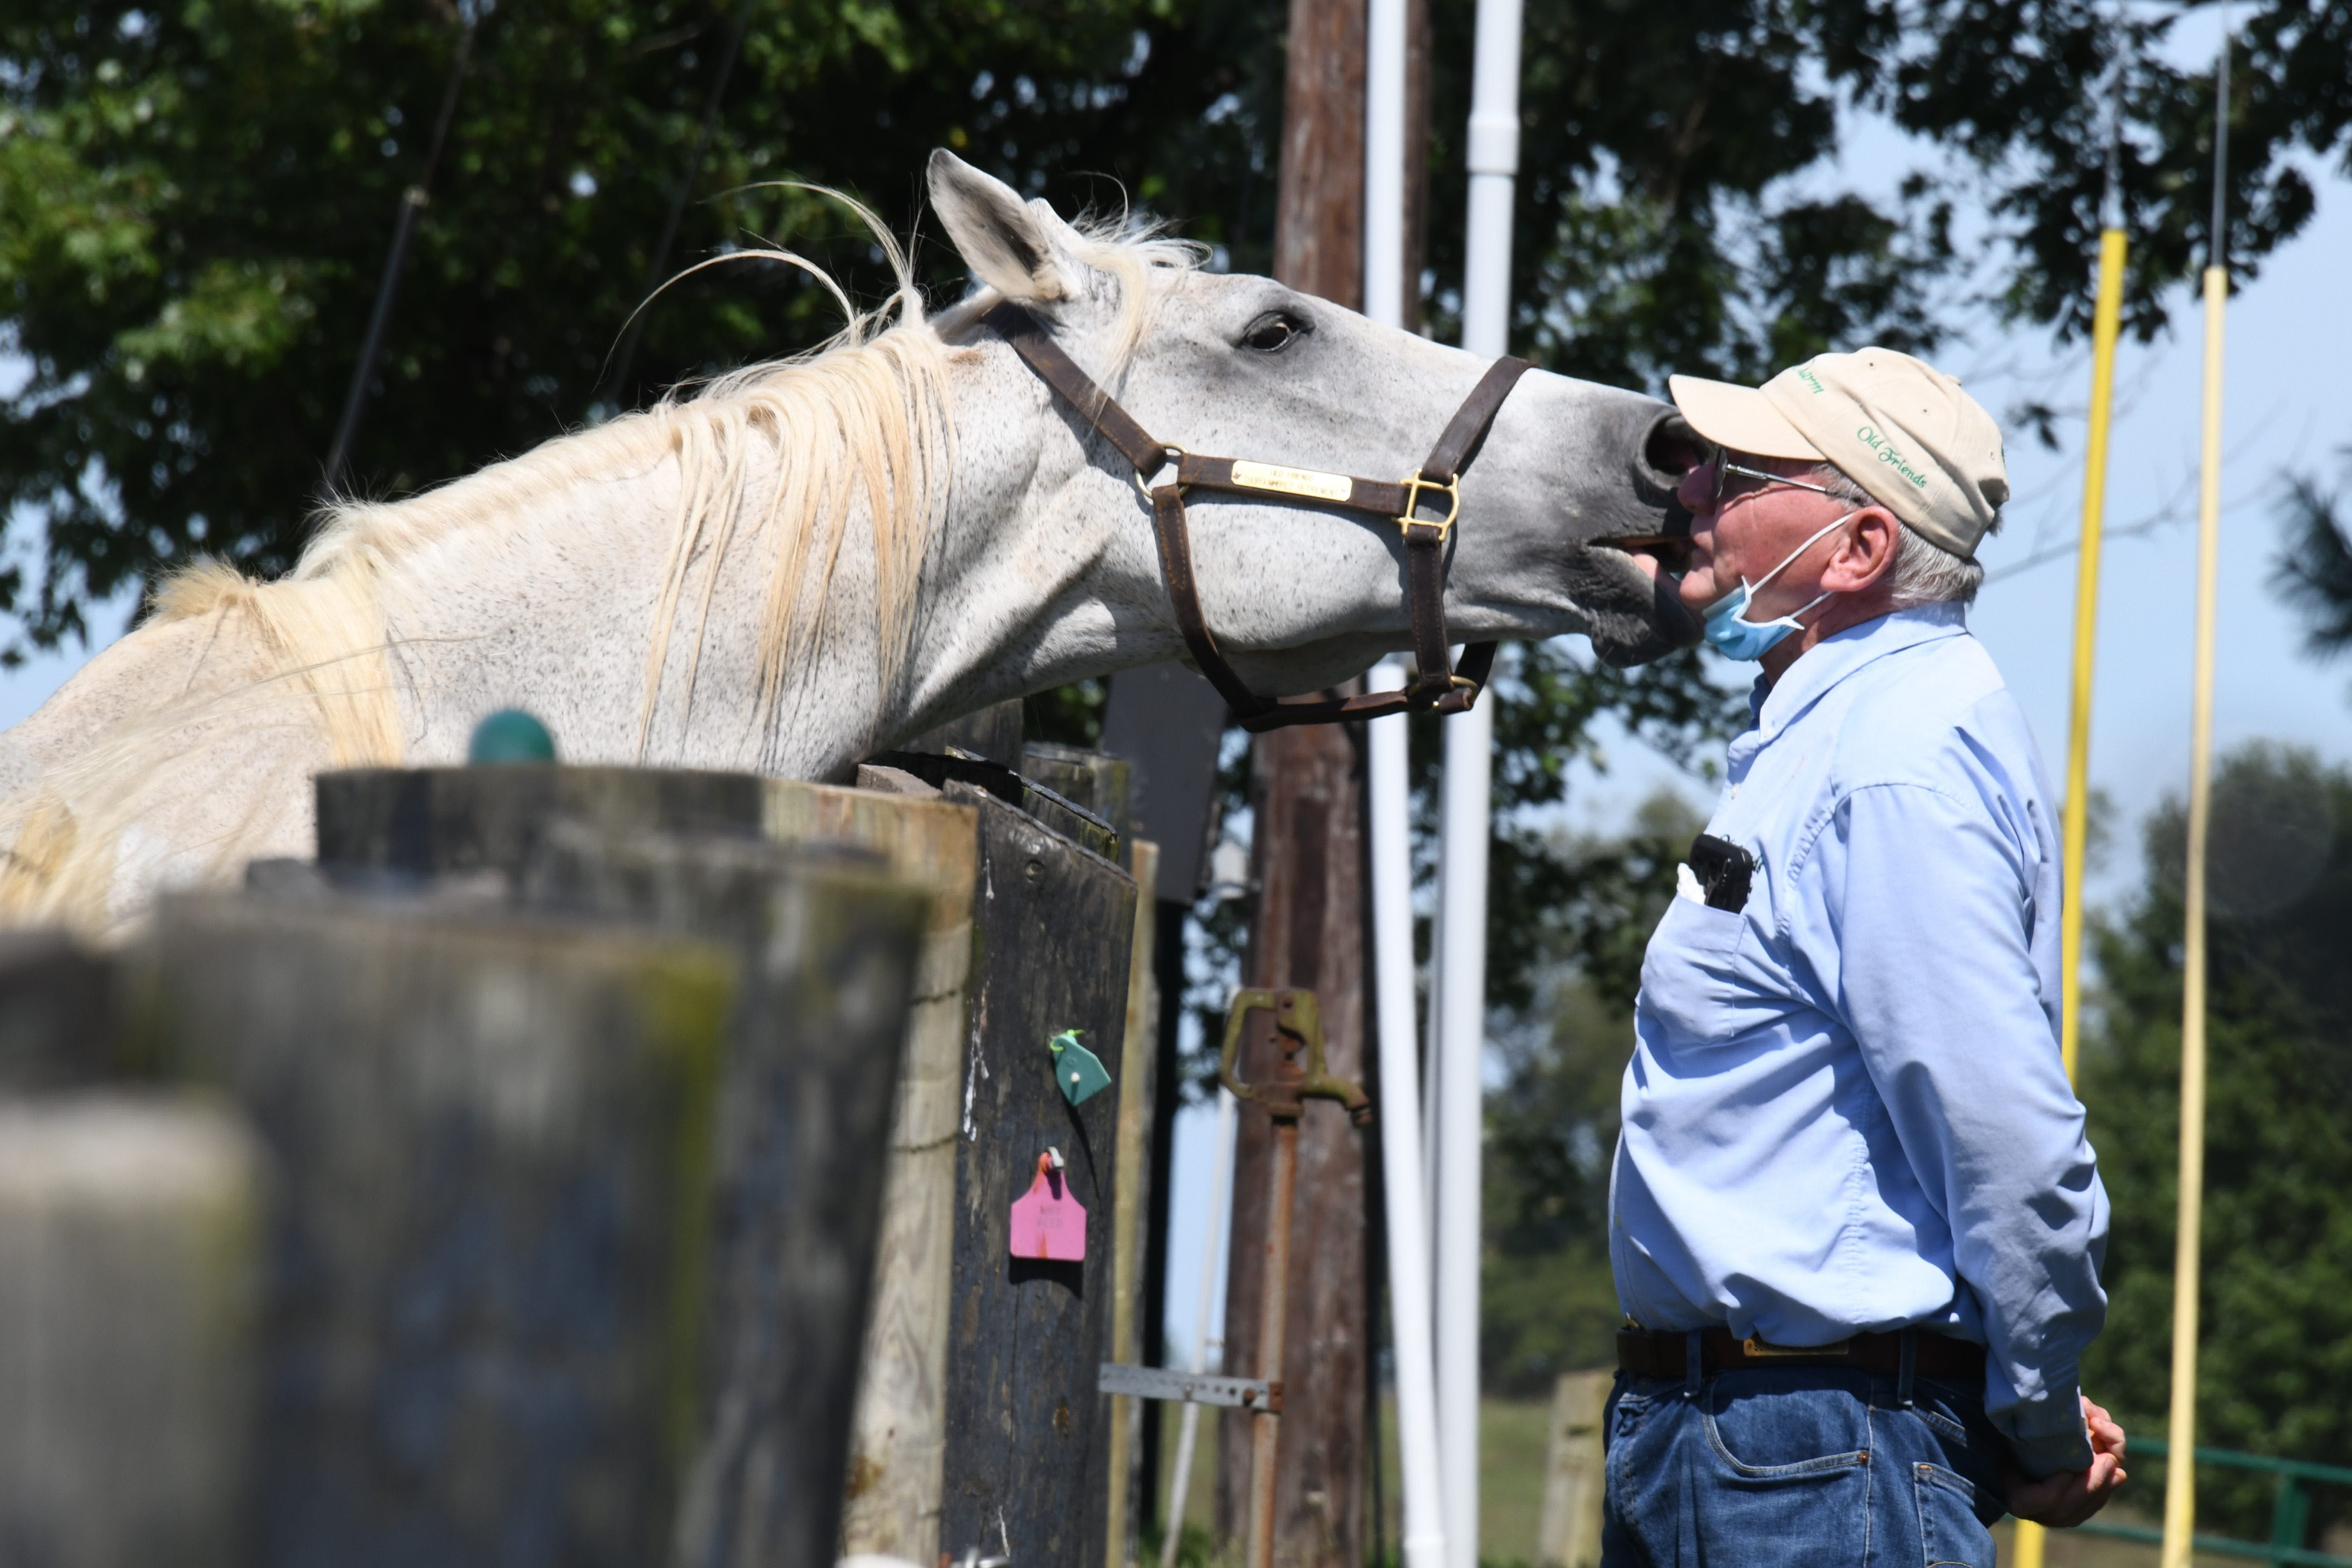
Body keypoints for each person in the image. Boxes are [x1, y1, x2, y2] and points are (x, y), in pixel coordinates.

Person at [1602, 347, 2127, 1565]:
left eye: (1734, 471)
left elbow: (2003, 1129)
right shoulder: (1844, 736)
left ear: (1857, 551)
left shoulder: (1893, 761)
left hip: (1813, 1454)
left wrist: (2037, 1414)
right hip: (1757, 1441)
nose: (1688, 490)